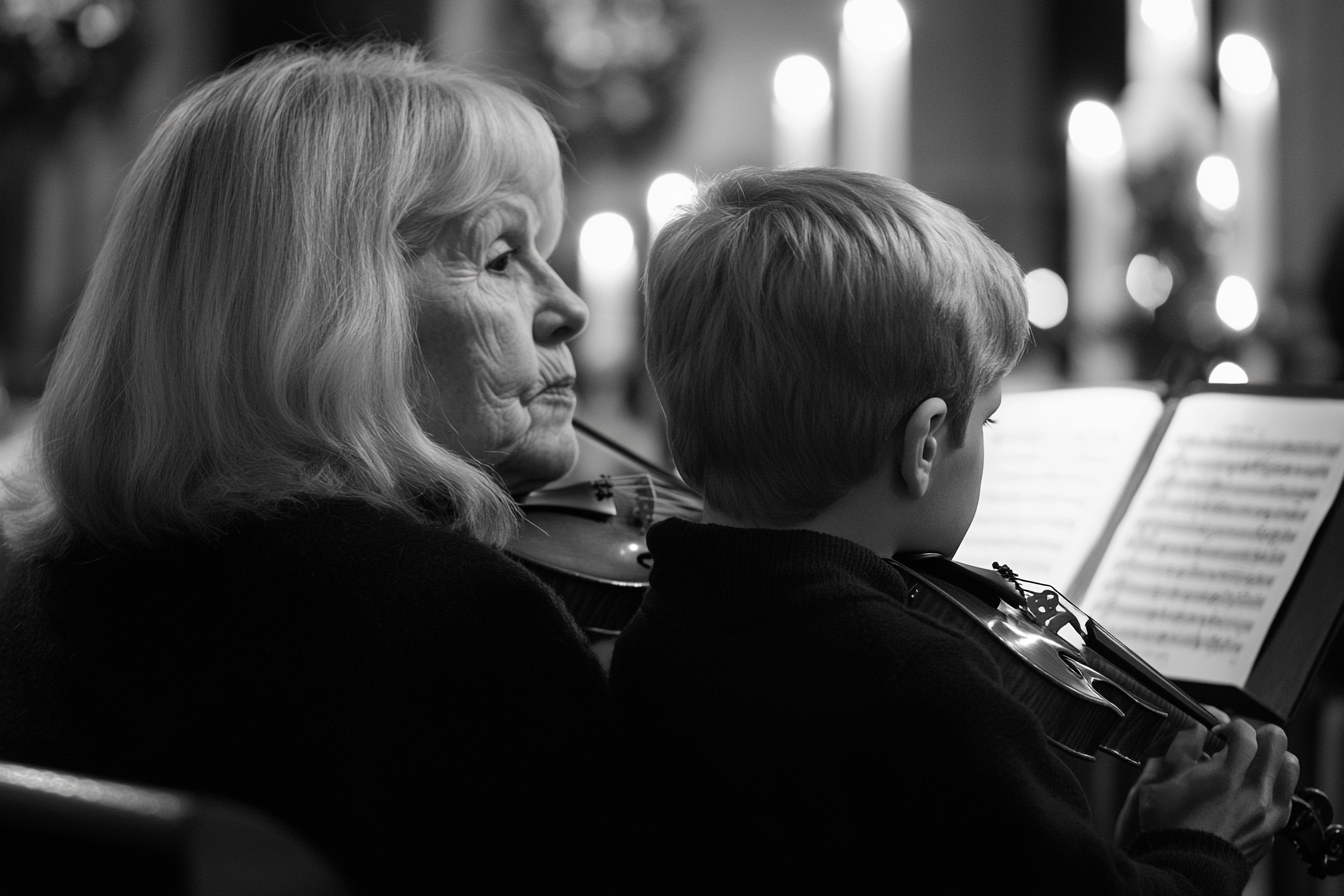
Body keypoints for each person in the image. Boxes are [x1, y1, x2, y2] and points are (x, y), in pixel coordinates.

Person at [0, 44, 621, 893]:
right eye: (504, 258)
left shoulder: (29, 592)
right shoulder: (460, 630)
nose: (570, 308)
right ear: (335, 311)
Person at [611, 166, 1299, 893]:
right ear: (927, 444)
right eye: (990, 417)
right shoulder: (917, 683)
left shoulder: (657, 633)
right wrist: (1201, 850)